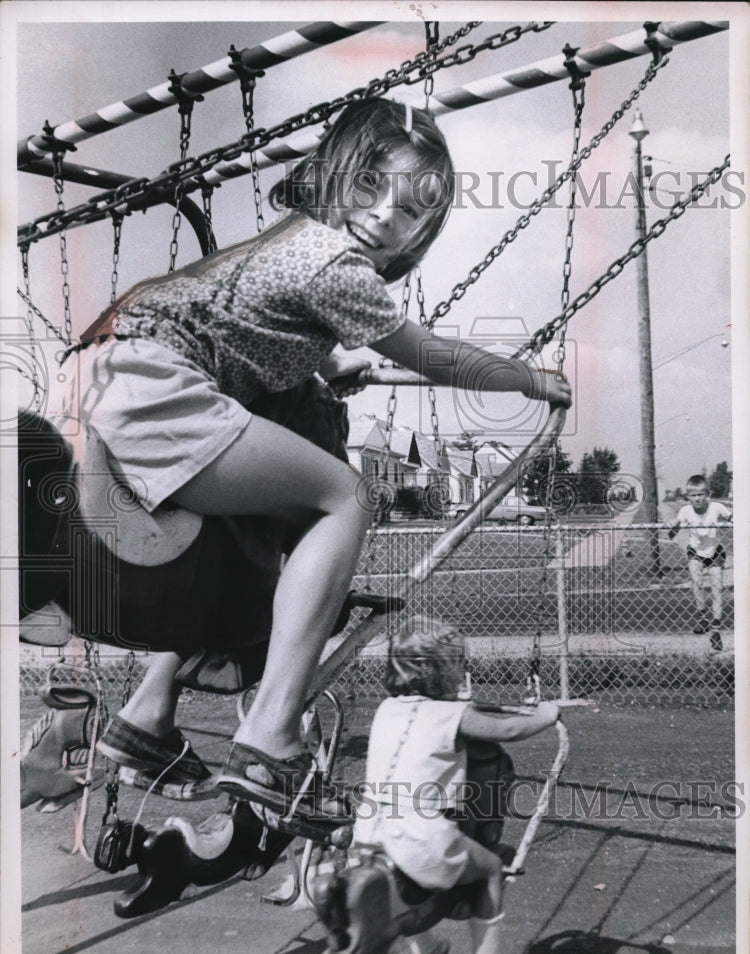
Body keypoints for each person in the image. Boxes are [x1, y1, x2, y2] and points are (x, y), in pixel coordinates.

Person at [48, 97, 571, 824]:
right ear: (335, 176)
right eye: (371, 187)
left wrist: (325, 362)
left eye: (414, 210)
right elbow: (431, 355)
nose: (389, 215)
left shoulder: (291, 243)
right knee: (345, 498)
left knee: (252, 521)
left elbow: (253, 326)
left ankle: (147, 717)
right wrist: (527, 378)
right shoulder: (334, 260)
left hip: (94, 383)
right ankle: (268, 734)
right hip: (148, 385)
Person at [353, 618, 560, 954]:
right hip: (420, 835)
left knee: (401, 891)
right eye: (459, 664)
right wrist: (544, 715)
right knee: (492, 869)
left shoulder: (386, 708)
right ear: (443, 670)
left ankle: (428, 949)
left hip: (369, 832)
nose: (462, 671)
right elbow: (507, 730)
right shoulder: (451, 713)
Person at [667, 475, 732, 640]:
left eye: (701, 494)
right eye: (693, 495)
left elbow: (731, 516)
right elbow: (674, 529)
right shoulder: (686, 511)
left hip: (714, 551)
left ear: (707, 494)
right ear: (688, 497)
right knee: (697, 583)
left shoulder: (716, 507)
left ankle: (716, 626)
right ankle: (703, 618)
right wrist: (673, 525)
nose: (697, 499)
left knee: (717, 588)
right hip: (696, 551)